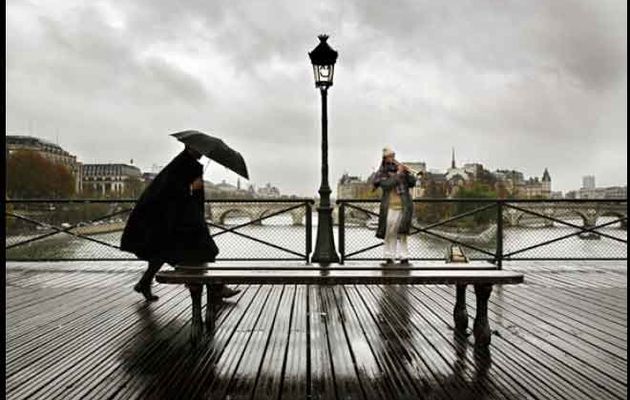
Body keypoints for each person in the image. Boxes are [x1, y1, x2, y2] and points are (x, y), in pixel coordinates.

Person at [120, 145, 240, 301]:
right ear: (191, 148)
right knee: (204, 250)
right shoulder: (190, 166)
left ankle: (144, 282)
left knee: (162, 251)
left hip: (162, 216)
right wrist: (198, 208)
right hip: (175, 218)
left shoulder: (178, 163)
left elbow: (173, 191)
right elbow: (195, 194)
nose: (202, 153)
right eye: (199, 150)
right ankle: (216, 288)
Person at [371, 146, 417, 266]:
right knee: (389, 232)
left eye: (393, 156)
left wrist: (407, 173)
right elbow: (387, 185)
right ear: (385, 158)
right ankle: (389, 255)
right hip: (390, 205)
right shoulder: (382, 172)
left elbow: (412, 183)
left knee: (403, 232)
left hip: (404, 205)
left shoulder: (401, 169)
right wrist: (398, 174)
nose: (393, 158)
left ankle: (404, 256)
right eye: (390, 156)